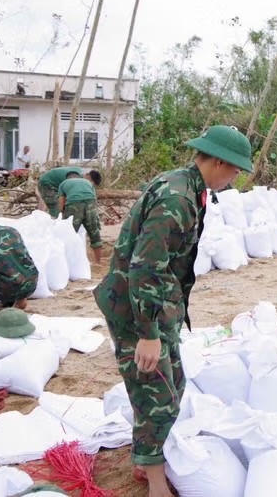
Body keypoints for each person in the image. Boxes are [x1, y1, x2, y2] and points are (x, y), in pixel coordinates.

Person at [94, 125, 252, 497]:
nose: (235, 178)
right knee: (157, 394)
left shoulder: (189, 187)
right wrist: (148, 334)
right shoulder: (176, 199)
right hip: (135, 309)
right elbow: (145, 267)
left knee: (172, 384)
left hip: (154, 304)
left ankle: (145, 458)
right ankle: (154, 481)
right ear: (217, 162)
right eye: (234, 170)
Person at [58, 171, 104, 264]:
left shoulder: (63, 183)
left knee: (69, 234)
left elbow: (61, 203)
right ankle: (98, 262)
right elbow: (94, 199)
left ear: (67, 178)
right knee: (94, 234)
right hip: (90, 204)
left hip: (74, 204)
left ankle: (68, 262)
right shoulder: (87, 182)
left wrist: (63, 215)